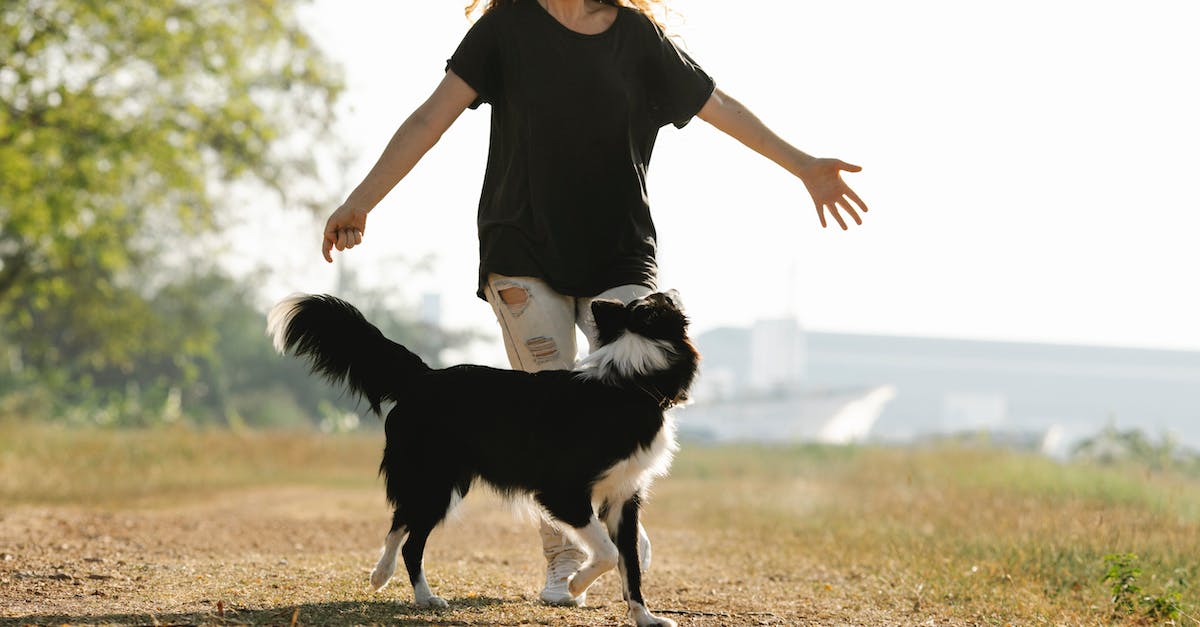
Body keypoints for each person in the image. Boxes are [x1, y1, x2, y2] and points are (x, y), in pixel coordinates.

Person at [319, 0, 868, 607]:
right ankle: (564, 560)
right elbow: (429, 120)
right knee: (548, 404)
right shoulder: (504, 30)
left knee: (639, 385)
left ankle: (617, 505)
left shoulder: (636, 36)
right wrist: (362, 200)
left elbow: (720, 106)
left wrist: (805, 166)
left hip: (620, 253)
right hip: (521, 247)